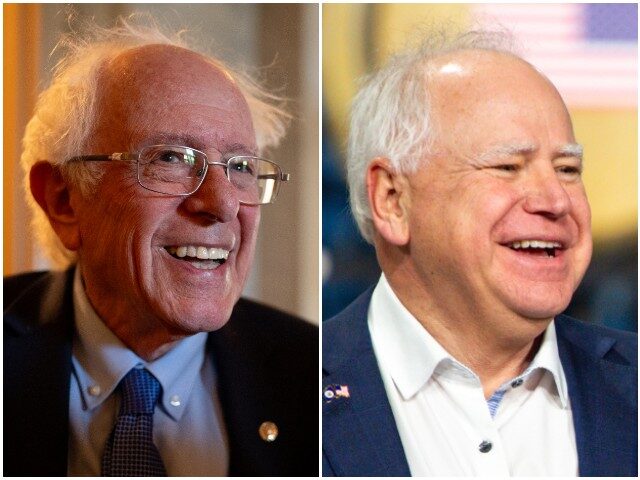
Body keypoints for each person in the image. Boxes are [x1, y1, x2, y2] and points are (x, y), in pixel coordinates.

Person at [4, 16, 317, 476]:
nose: (222, 204)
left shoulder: (313, 374)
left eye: (241, 166)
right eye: (171, 158)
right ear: (65, 199)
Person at [322, 30, 637, 477]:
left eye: (568, 169)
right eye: (507, 167)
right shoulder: (290, 390)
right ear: (392, 200)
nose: (556, 200)